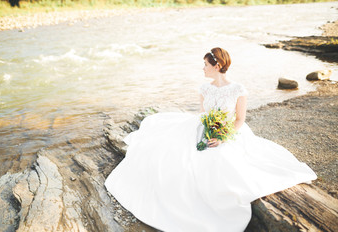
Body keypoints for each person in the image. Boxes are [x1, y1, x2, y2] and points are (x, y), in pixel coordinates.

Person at [105, 47, 317, 232]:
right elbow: (203, 114)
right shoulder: (204, 88)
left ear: (216, 66)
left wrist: (223, 137)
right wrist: (207, 131)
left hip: (229, 132)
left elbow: (240, 119)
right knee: (171, 155)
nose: (203, 69)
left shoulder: (238, 89)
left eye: (205, 65)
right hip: (202, 127)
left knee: (220, 163)